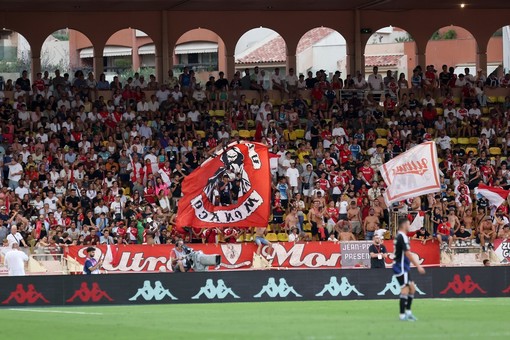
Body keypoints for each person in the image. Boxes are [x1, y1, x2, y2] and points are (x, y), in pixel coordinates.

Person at [393, 217, 426, 321]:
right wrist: (418, 265)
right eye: (408, 224)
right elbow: (407, 253)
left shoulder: (401, 236)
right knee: (405, 289)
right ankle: (402, 315)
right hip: (401, 267)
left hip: (404, 266)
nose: (409, 226)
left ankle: (408, 312)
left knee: (412, 289)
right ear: (403, 225)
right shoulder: (402, 236)